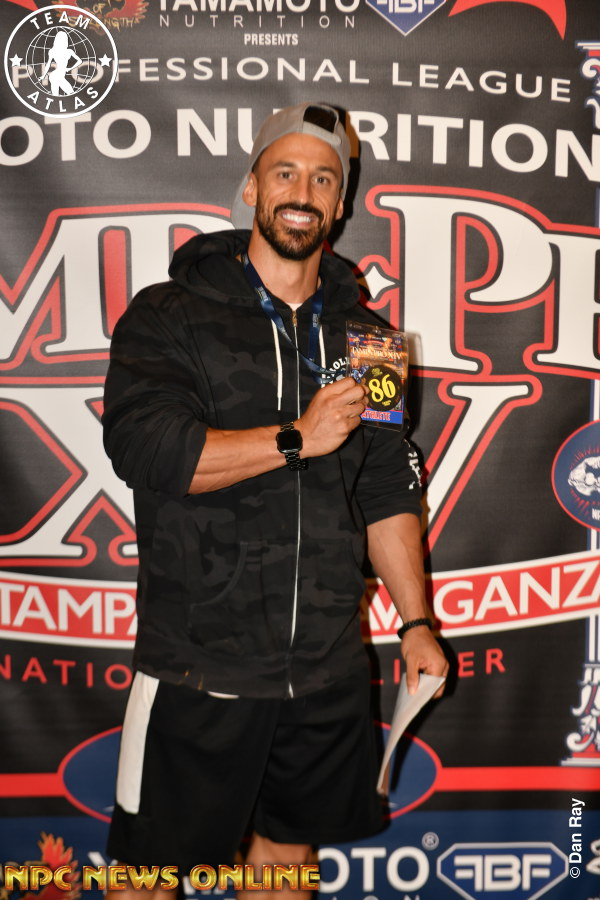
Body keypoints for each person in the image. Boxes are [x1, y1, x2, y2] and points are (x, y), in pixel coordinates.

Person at [102, 102, 448, 894]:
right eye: (285, 172)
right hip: (199, 669)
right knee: (146, 879)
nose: (303, 191)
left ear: (341, 202)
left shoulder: (370, 339)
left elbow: (385, 487)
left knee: (287, 868)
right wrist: (297, 438)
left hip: (325, 671)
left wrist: (416, 621)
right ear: (252, 187)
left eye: (323, 178)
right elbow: (149, 451)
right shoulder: (169, 313)